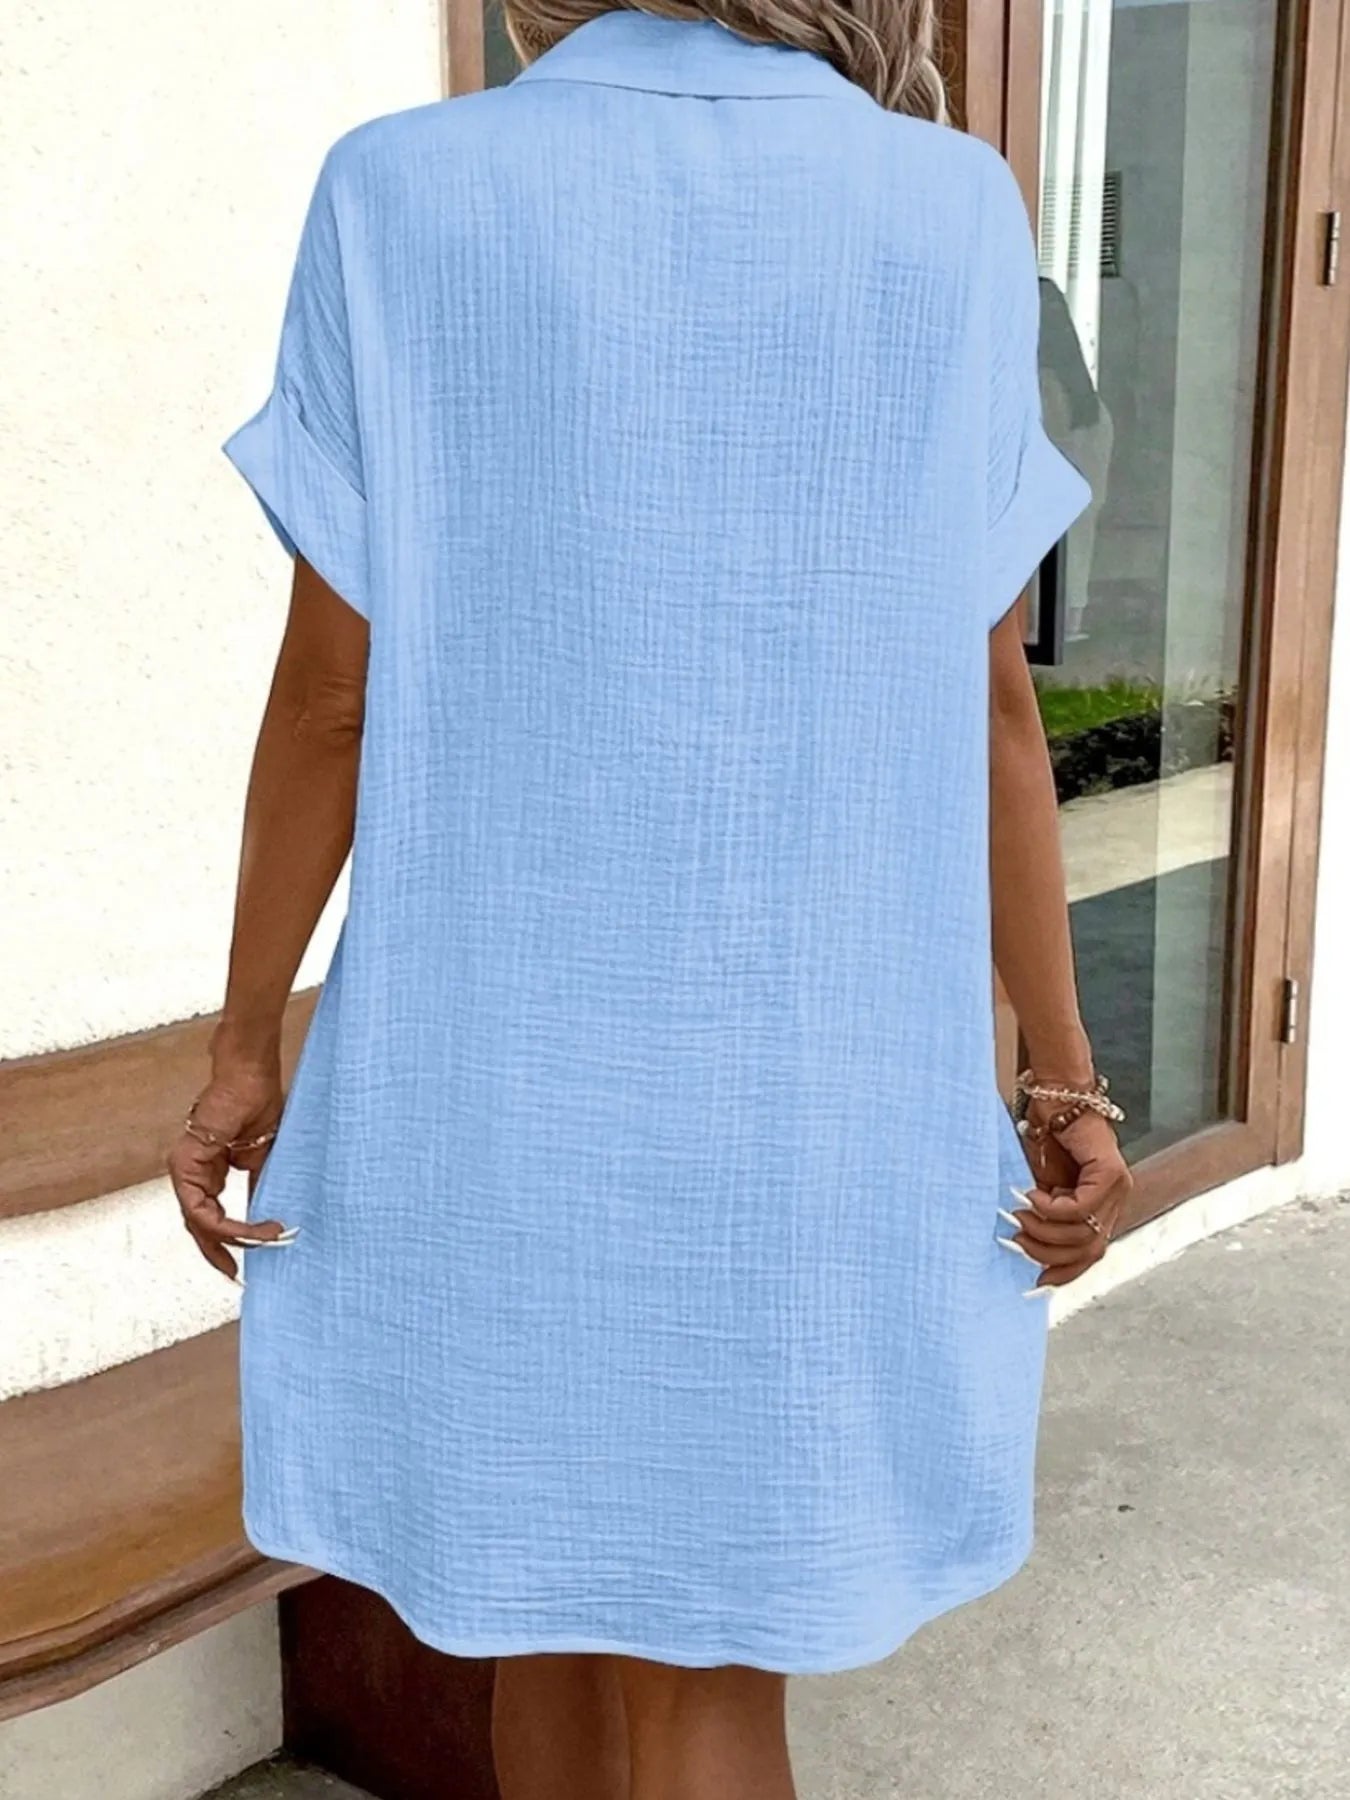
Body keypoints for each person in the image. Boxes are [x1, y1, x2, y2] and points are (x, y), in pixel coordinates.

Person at [167, 4, 1131, 1796]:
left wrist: (242, 1051)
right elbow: (989, 704)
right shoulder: (947, 208)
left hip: (499, 1092)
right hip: (806, 1099)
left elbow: (329, 698)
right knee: (712, 1678)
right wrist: (1058, 1075)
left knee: (533, 1612)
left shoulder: (398, 191)